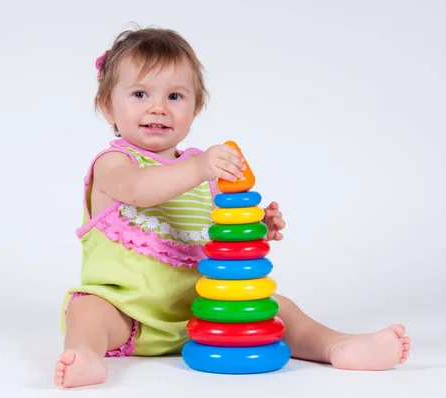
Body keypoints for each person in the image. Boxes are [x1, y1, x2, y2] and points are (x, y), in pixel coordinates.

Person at [54, 26, 410, 388]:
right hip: (127, 315)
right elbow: (137, 191)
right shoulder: (115, 163)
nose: (158, 107)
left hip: (206, 314)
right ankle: (85, 355)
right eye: (140, 93)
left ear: (196, 109)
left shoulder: (204, 171)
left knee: (276, 307)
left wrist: (253, 228)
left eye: (175, 96)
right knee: (87, 309)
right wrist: (196, 168)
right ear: (107, 106)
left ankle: (339, 345)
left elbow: (219, 236)